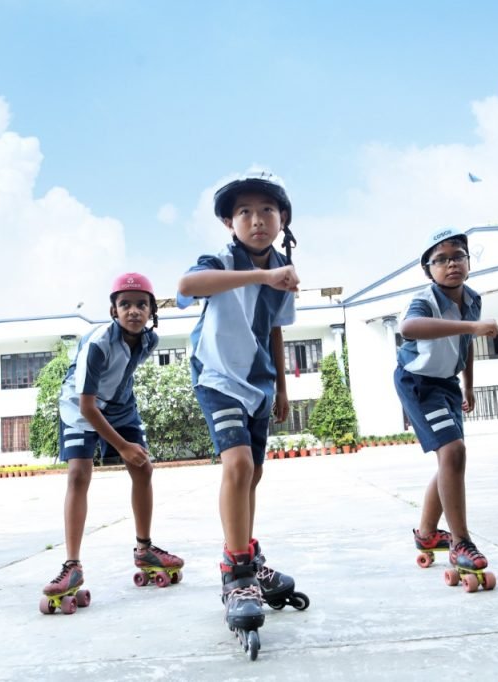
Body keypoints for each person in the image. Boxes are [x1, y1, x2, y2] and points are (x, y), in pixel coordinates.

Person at [177, 171, 305, 642]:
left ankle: (247, 554)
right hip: (217, 378)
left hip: (260, 385)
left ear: (282, 219)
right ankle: (237, 574)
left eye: (267, 210)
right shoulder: (221, 260)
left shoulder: (282, 273)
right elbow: (188, 285)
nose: (256, 219)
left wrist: (284, 388)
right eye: (244, 212)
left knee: (252, 474)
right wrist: (261, 274)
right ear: (230, 223)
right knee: (237, 465)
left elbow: (274, 328)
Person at [43, 273, 183, 606]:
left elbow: (121, 376)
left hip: (120, 406)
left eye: (141, 305)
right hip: (80, 407)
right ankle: (72, 565)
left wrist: (126, 437)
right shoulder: (98, 344)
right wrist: (121, 446)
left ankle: (145, 549)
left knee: (144, 469)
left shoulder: (149, 341)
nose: (133, 311)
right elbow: (87, 406)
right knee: (79, 475)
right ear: (113, 310)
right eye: (125, 305)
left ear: (151, 311)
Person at [393, 227, 498, 580]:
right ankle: (461, 541)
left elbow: (466, 345)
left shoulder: (472, 299)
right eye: (440, 260)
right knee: (453, 453)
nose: (451, 264)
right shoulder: (426, 299)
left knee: (448, 459)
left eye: (458, 256)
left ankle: (427, 533)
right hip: (419, 382)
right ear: (428, 270)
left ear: (469, 262)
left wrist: (469, 386)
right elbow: (410, 327)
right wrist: (471, 327)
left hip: (448, 384)